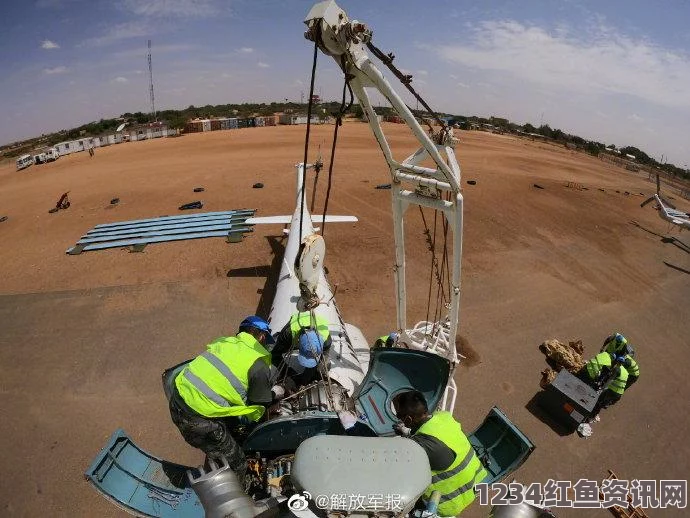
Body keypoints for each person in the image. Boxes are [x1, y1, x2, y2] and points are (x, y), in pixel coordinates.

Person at [168, 315, 287, 478]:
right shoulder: (258, 364)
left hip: (177, 397)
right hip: (197, 419)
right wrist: (274, 393)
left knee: (225, 434)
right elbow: (257, 407)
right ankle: (238, 492)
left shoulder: (224, 342)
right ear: (261, 336)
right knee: (236, 464)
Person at [338, 391, 487, 517]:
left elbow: (381, 459)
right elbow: (431, 442)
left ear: (408, 419)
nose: (399, 419)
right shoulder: (444, 418)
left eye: (399, 416)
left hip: (449, 503)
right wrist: (408, 432)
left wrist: (353, 429)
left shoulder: (418, 447)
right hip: (476, 484)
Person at [271, 311, 332, 386]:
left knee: (323, 367)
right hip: (296, 326)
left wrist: (305, 380)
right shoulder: (287, 334)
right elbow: (274, 356)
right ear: (298, 343)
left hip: (316, 327)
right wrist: (291, 374)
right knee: (274, 355)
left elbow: (322, 359)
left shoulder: (326, 341)